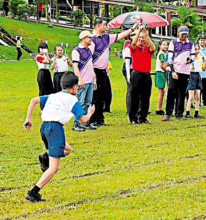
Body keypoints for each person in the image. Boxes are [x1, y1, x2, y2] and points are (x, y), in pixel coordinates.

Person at [23, 71, 95, 202]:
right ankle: (33, 193)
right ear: (74, 87)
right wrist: (90, 113)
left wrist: (28, 119)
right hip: (55, 129)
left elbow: (33, 100)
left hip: (44, 128)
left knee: (68, 150)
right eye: (77, 86)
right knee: (53, 168)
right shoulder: (73, 100)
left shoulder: (53, 95)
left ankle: (46, 157)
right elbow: (83, 119)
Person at [89, 18, 138, 127]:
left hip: (103, 71)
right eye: (104, 25)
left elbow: (120, 35)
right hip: (94, 70)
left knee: (103, 95)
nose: (106, 27)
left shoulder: (106, 37)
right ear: (97, 26)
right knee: (95, 96)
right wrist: (92, 74)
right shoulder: (91, 39)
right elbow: (89, 57)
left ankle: (100, 118)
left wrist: (132, 29)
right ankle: (92, 120)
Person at [162, 26, 196, 121]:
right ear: (178, 33)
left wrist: (190, 60)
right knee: (171, 91)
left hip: (185, 71)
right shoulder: (173, 43)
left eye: (185, 35)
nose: (184, 36)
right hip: (175, 71)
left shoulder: (191, 44)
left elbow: (193, 56)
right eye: (182, 34)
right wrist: (172, 71)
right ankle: (168, 113)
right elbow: (170, 58)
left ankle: (179, 114)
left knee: (182, 93)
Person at [71, 31, 97, 132]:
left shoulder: (89, 50)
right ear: (83, 38)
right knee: (80, 102)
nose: (91, 39)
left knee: (87, 102)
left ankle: (85, 122)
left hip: (90, 80)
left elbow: (90, 65)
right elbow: (75, 67)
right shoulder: (76, 51)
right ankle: (76, 123)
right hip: (83, 81)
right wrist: (79, 79)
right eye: (89, 37)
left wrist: (94, 79)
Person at [129, 27, 155, 124]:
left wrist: (147, 37)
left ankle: (143, 117)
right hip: (137, 74)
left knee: (146, 97)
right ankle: (133, 117)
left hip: (146, 75)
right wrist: (139, 32)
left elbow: (153, 48)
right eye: (140, 38)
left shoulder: (148, 48)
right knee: (135, 96)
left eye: (142, 38)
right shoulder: (135, 48)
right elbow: (134, 43)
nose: (141, 39)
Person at [185, 44, 206, 119]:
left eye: (198, 49)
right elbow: (186, 64)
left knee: (198, 95)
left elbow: (203, 68)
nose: (197, 51)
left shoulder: (201, 58)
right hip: (191, 75)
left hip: (198, 75)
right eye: (195, 49)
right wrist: (190, 61)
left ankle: (196, 112)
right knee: (191, 96)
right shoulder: (190, 58)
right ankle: (187, 112)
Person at [122, 32, 136, 118]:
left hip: (137, 69)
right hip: (129, 69)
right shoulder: (128, 46)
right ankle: (129, 111)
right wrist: (128, 74)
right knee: (130, 90)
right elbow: (126, 61)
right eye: (134, 34)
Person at [154, 40, 168, 116]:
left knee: (162, 92)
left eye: (166, 45)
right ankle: (158, 109)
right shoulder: (162, 54)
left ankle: (159, 108)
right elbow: (162, 66)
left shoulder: (163, 53)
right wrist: (167, 71)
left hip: (161, 73)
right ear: (159, 46)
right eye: (163, 44)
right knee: (161, 92)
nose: (165, 46)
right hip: (160, 73)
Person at [197, 34, 206, 106]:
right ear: (198, 41)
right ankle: (198, 102)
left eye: (204, 40)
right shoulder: (197, 50)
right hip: (199, 72)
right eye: (201, 40)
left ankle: (205, 102)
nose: (202, 41)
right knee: (199, 89)